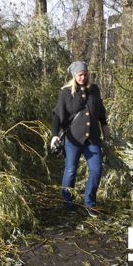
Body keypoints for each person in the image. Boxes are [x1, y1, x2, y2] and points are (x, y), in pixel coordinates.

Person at [50, 60, 109, 217]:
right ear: (74, 75)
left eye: (85, 74)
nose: (83, 77)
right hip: (73, 139)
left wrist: (105, 127)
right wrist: (54, 135)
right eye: (80, 75)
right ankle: (68, 203)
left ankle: (89, 203)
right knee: (70, 171)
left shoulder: (94, 90)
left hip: (93, 139)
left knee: (96, 170)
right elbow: (57, 115)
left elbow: (101, 111)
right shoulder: (66, 93)